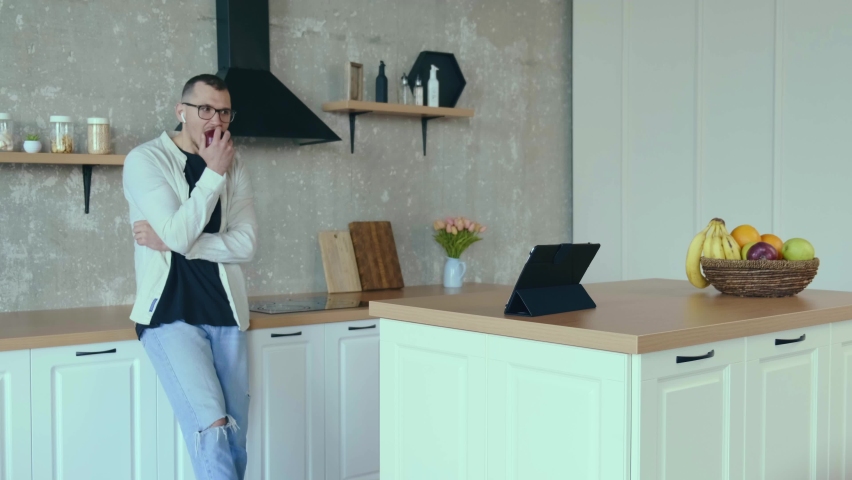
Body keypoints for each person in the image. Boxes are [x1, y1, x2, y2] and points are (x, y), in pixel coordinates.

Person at [122, 74, 257, 480]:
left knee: (235, 439)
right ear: (182, 111)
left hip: (226, 314)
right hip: (170, 315)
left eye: (224, 112)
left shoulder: (236, 166)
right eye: (205, 109)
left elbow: (247, 244)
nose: (216, 119)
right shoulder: (145, 160)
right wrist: (212, 173)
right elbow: (178, 233)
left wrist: (177, 243)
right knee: (211, 430)